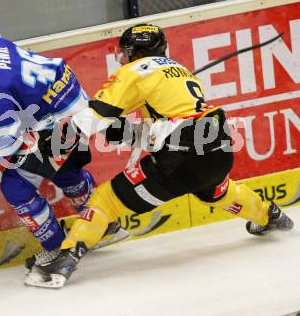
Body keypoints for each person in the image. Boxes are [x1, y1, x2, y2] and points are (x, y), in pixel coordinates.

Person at [25, 23, 295, 288]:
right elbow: (172, 120)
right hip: (218, 144)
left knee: (106, 200)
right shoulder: (182, 71)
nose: (125, 57)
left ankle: (66, 257)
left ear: (135, 53)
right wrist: (125, 132)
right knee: (216, 191)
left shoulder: (133, 71)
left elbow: (94, 116)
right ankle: (269, 215)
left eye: (127, 51)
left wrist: (51, 142)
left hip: (182, 152)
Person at [0, 20, 125, 274]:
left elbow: (6, 142)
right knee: (66, 169)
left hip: (58, 121)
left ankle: (58, 247)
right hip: (69, 97)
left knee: (16, 186)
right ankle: (105, 224)